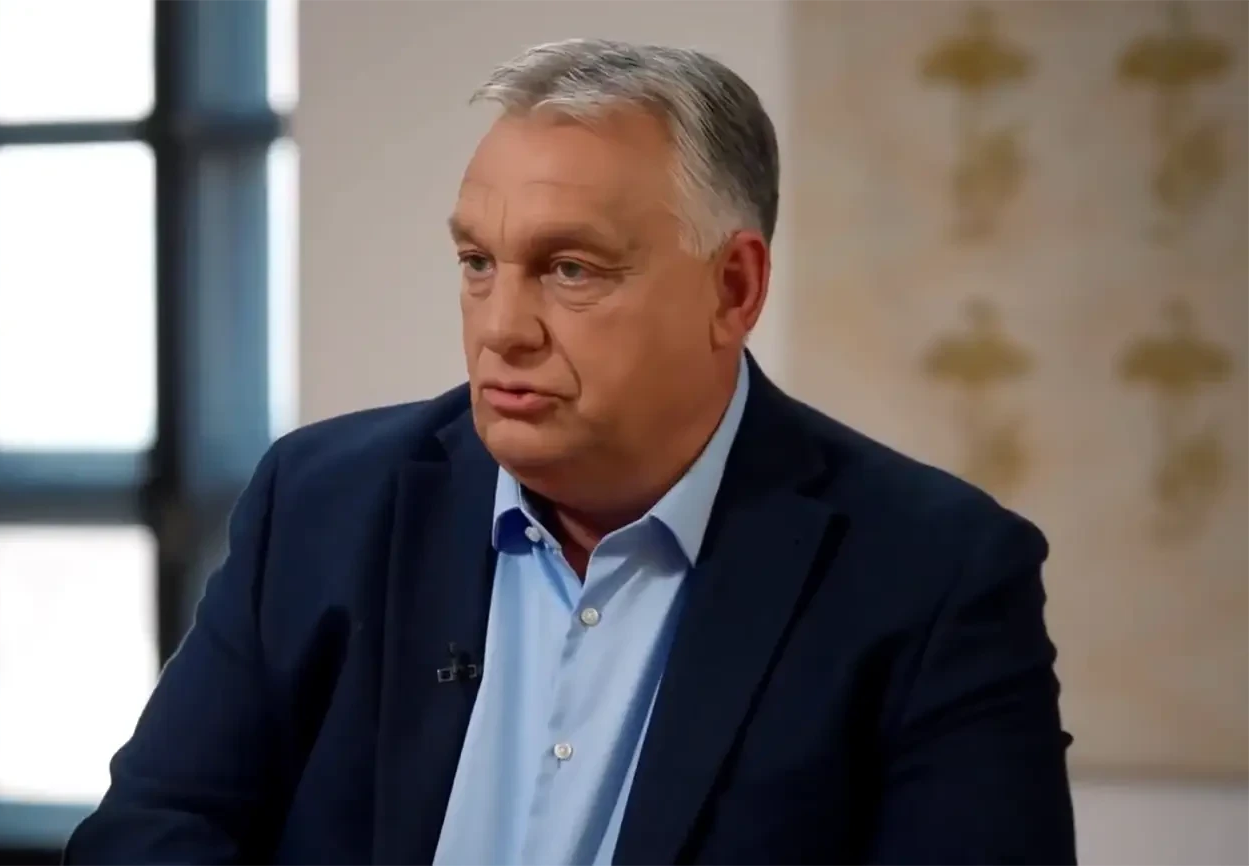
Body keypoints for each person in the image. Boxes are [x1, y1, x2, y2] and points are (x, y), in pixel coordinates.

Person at [65, 38, 1076, 866]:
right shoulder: (322, 502)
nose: (501, 328)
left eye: (570, 269)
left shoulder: (932, 577)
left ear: (733, 289)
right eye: (477, 262)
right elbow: (149, 835)